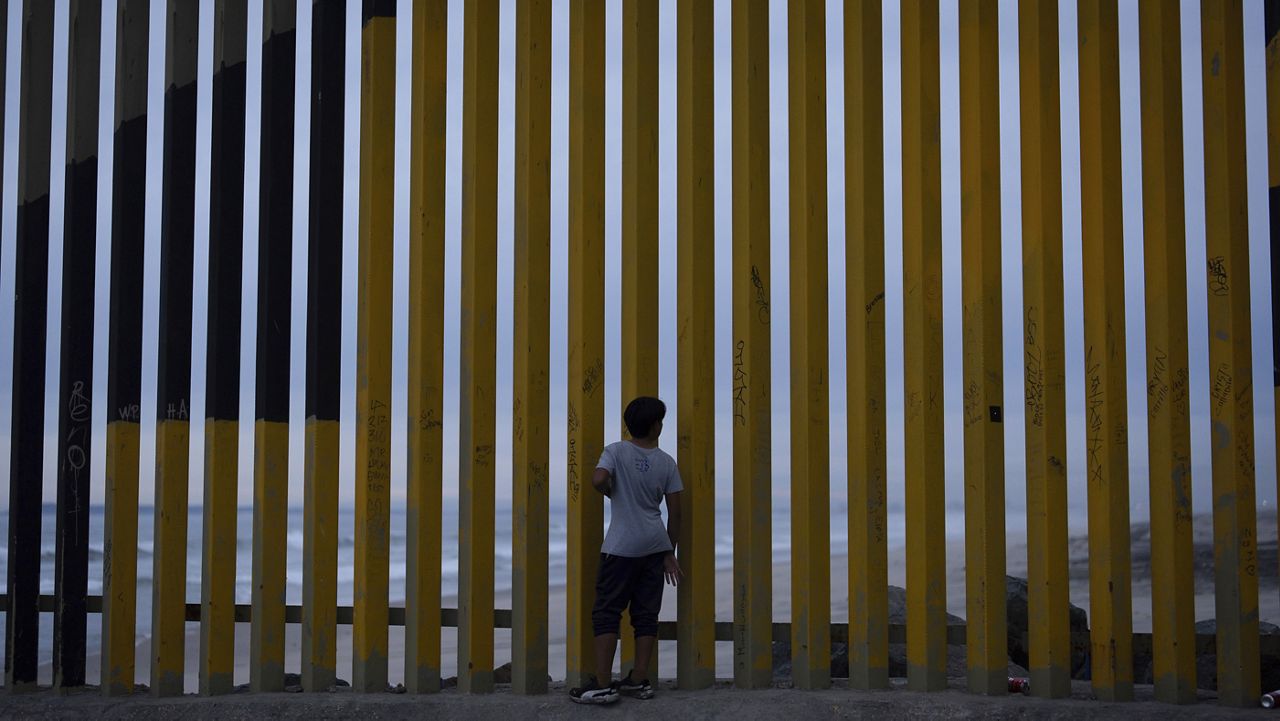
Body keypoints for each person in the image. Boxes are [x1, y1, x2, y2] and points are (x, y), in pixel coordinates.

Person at [570, 396, 683, 705]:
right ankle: (638, 679)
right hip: (654, 545)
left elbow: (598, 479)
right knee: (646, 614)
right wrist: (669, 551)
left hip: (621, 547)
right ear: (654, 425)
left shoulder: (616, 451)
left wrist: (609, 491)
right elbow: (675, 512)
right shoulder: (666, 462)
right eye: (660, 420)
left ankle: (603, 684)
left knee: (607, 612)